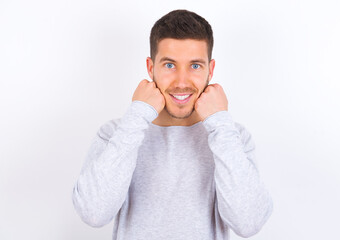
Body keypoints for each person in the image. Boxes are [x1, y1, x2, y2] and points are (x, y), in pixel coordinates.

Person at [72, 9, 273, 240]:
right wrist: (137, 115)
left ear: (211, 69)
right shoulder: (115, 134)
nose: (181, 82)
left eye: (195, 66)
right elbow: (93, 213)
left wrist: (220, 124)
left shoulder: (231, 136)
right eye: (169, 65)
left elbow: (248, 223)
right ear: (150, 68)